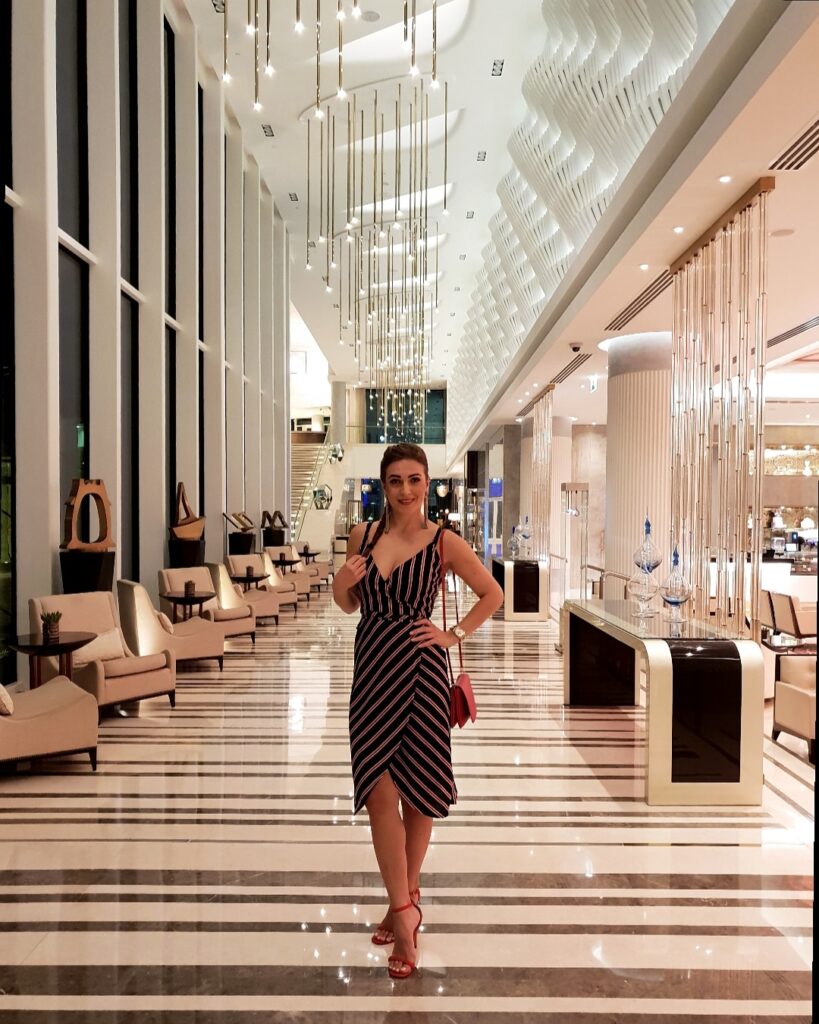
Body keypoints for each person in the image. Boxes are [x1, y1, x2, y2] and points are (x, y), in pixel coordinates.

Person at [332, 443, 504, 979]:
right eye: (395, 481)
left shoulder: (444, 542)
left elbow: (491, 594)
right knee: (378, 792)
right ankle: (405, 906)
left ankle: (401, 907)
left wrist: (453, 634)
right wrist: (340, 586)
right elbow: (350, 604)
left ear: (427, 483)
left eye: (414, 479)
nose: (405, 490)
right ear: (383, 486)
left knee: (419, 792)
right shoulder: (364, 536)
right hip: (372, 671)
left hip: (422, 673)